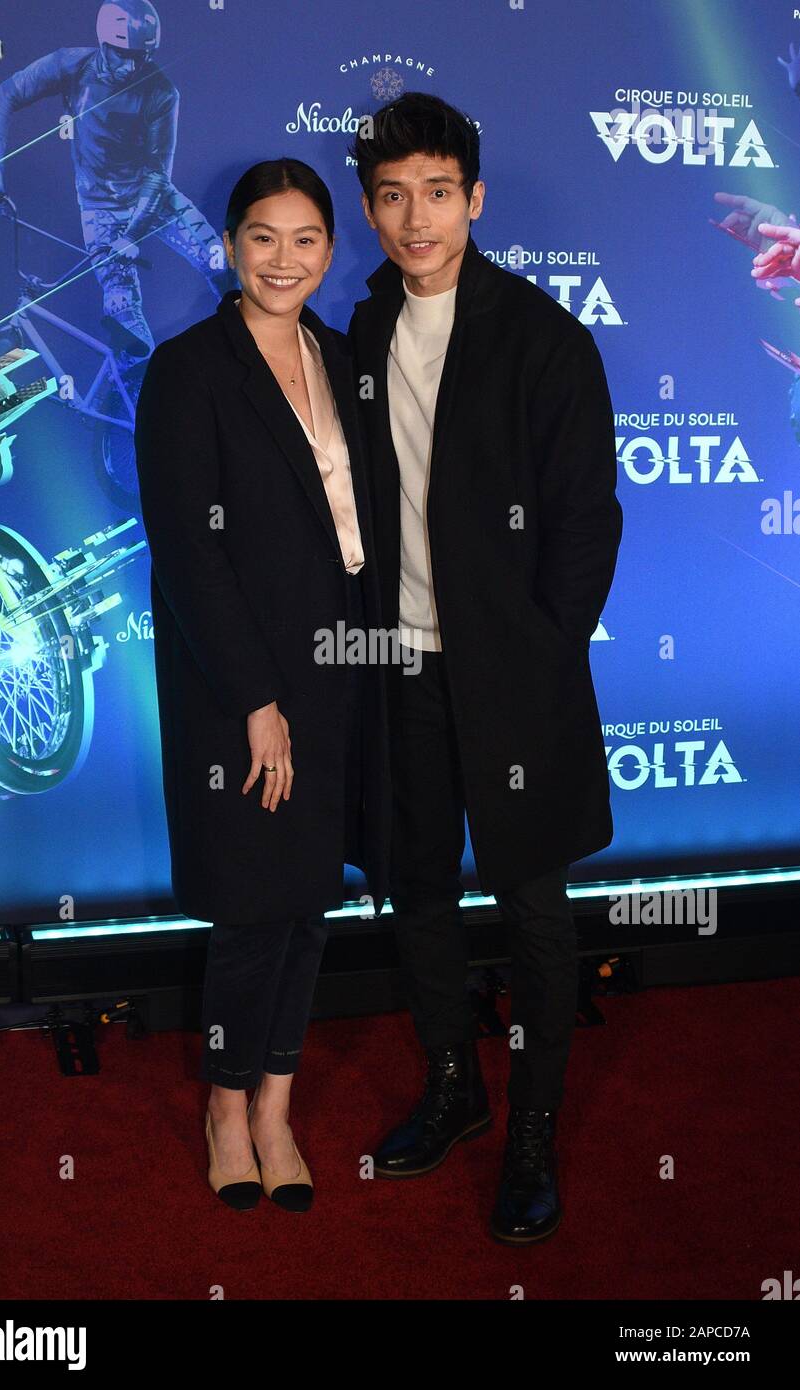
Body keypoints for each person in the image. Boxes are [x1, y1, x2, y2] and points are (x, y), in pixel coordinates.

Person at [347, 92, 623, 1243]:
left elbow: (585, 524)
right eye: (393, 196)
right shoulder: (358, 329)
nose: (417, 218)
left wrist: (540, 653)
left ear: (475, 197)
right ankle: (456, 1089)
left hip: (511, 680)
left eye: (438, 193)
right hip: (398, 670)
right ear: (370, 208)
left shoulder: (540, 334)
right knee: (415, 888)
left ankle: (532, 1130)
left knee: (535, 907)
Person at [134, 158, 390, 1213]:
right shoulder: (188, 369)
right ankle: (224, 1108)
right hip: (237, 683)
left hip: (345, 671)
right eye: (263, 237)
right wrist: (256, 699)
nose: (285, 259)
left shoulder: (344, 357)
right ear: (231, 246)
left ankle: (276, 1104)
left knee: (308, 906)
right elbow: (191, 557)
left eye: (306, 240)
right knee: (249, 908)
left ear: (331, 251)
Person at [0, 1, 227, 373]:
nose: (131, 66)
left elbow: (158, 175)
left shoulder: (161, 91)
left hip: (153, 199)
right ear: (104, 43)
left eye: (140, 56)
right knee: (126, 320)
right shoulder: (71, 65)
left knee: (220, 262)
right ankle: (141, 403)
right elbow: (2, 96)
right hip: (100, 209)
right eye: (122, 55)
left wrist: (133, 234)